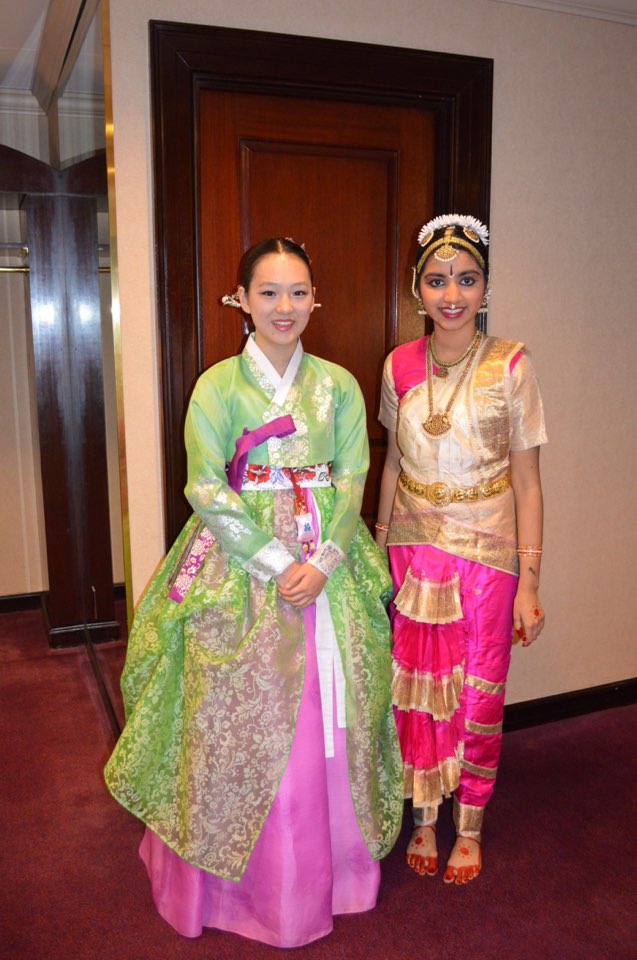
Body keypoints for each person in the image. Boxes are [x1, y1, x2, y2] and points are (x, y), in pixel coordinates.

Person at [105, 237, 403, 947]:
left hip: (327, 554)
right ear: (241, 299)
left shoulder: (337, 384)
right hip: (239, 558)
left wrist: (324, 561)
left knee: (333, 704)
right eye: (268, 292)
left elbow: (353, 475)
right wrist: (272, 560)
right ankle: (232, 881)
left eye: (298, 291)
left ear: (315, 299)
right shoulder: (217, 386)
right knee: (232, 709)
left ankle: (333, 873)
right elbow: (204, 485)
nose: (284, 306)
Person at [375, 214, 547, 885]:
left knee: (477, 688)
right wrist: (379, 548)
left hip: (486, 551)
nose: (452, 294)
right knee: (418, 688)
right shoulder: (398, 364)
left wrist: (529, 583)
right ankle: (423, 814)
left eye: (467, 279)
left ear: (485, 287)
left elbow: (528, 481)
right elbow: (393, 464)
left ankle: (468, 823)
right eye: (437, 280)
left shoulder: (511, 363)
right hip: (413, 548)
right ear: (417, 289)